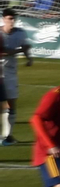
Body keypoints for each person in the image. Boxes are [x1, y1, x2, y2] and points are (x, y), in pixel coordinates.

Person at [1, 8, 33, 146]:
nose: (12, 21)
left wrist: (29, 58)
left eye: (13, 18)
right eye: (9, 18)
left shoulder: (20, 33)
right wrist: (20, 50)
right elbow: (3, 52)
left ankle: (7, 136)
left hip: (10, 72)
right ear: (3, 19)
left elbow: (25, 45)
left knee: (11, 104)